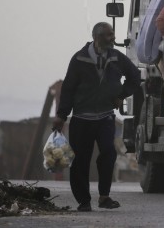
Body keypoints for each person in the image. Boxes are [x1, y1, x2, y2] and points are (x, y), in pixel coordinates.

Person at [52, 22, 142, 212]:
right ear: (97, 37)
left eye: (112, 34)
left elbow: (135, 76)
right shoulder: (79, 59)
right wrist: (61, 115)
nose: (113, 38)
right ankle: (84, 201)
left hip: (105, 117)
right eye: (109, 35)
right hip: (81, 118)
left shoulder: (117, 58)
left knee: (108, 153)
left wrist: (121, 95)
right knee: (80, 160)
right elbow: (68, 89)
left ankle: (104, 196)